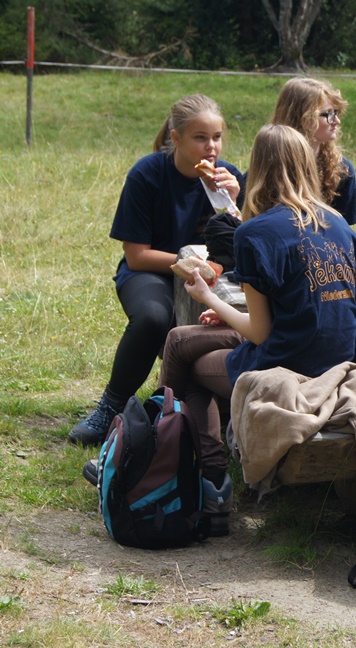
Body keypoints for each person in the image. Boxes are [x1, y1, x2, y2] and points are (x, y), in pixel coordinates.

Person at [151, 124, 356, 535]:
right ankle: (170, 452)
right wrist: (225, 313)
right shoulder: (341, 227)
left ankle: (200, 476)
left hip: (288, 363)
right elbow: (323, 305)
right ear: (306, 166)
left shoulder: (255, 232)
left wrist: (208, 298)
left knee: (190, 369)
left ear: (258, 168)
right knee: (179, 339)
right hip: (333, 358)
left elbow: (261, 334)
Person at [69, 94, 244, 446]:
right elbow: (137, 256)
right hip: (151, 273)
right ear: (175, 137)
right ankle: (111, 405)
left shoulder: (229, 179)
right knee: (154, 318)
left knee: (223, 325)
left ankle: (200, 419)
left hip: (212, 278)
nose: (211, 147)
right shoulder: (147, 174)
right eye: (200, 137)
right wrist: (189, 264)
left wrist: (234, 203)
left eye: (216, 137)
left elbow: (243, 246)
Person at [271, 77, 356, 226]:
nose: (336, 121)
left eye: (335, 112)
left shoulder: (341, 170)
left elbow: (344, 231)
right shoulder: (269, 165)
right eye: (328, 114)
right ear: (302, 118)